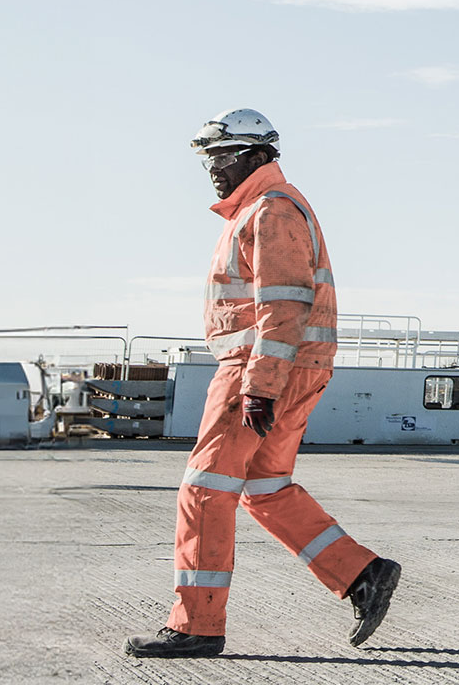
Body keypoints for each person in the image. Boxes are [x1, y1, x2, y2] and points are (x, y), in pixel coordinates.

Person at [124, 108, 403, 659]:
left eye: (222, 157)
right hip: (291, 368)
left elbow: (284, 305)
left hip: (259, 370)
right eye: (208, 159)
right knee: (265, 486)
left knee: (205, 490)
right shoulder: (262, 209)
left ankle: (196, 626)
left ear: (257, 155)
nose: (212, 169)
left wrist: (259, 386)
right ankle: (363, 574)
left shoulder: (271, 211)